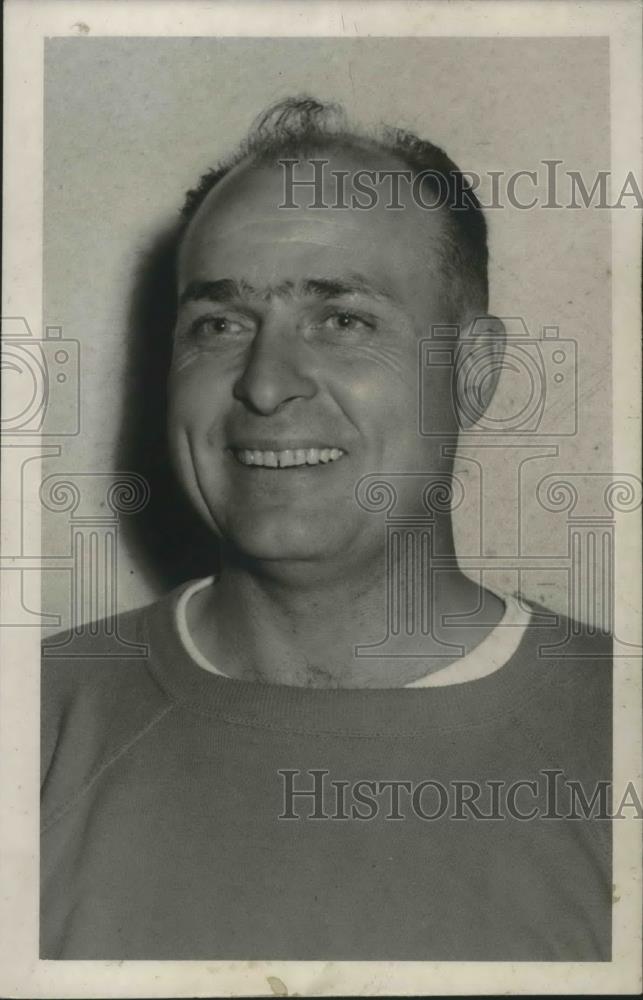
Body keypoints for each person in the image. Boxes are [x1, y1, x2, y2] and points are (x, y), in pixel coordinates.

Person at [41, 97, 611, 960]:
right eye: (220, 324)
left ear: (475, 372)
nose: (265, 385)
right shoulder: (35, 720)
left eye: (342, 320)